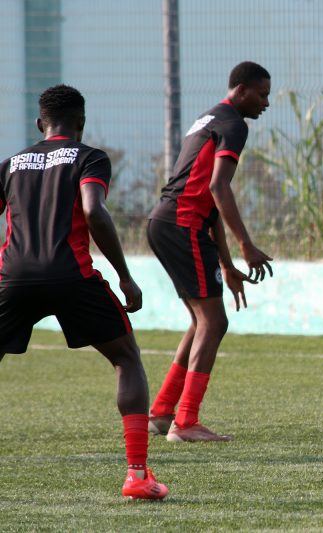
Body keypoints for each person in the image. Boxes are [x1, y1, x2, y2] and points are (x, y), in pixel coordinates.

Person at [0, 85, 168, 499]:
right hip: (71, 275)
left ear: (39, 124)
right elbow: (93, 210)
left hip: (13, 277)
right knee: (126, 359)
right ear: (81, 122)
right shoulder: (89, 157)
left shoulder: (10, 165)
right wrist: (124, 276)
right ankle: (137, 475)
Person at [147, 61, 273, 442]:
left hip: (167, 221)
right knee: (214, 322)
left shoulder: (207, 119)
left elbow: (208, 197)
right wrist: (246, 244)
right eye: (262, 94)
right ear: (241, 89)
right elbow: (219, 188)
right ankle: (185, 422)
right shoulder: (234, 124)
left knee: (201, 321)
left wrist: (227, 264)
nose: (266, 103)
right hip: (182, 224)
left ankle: (163, 412)